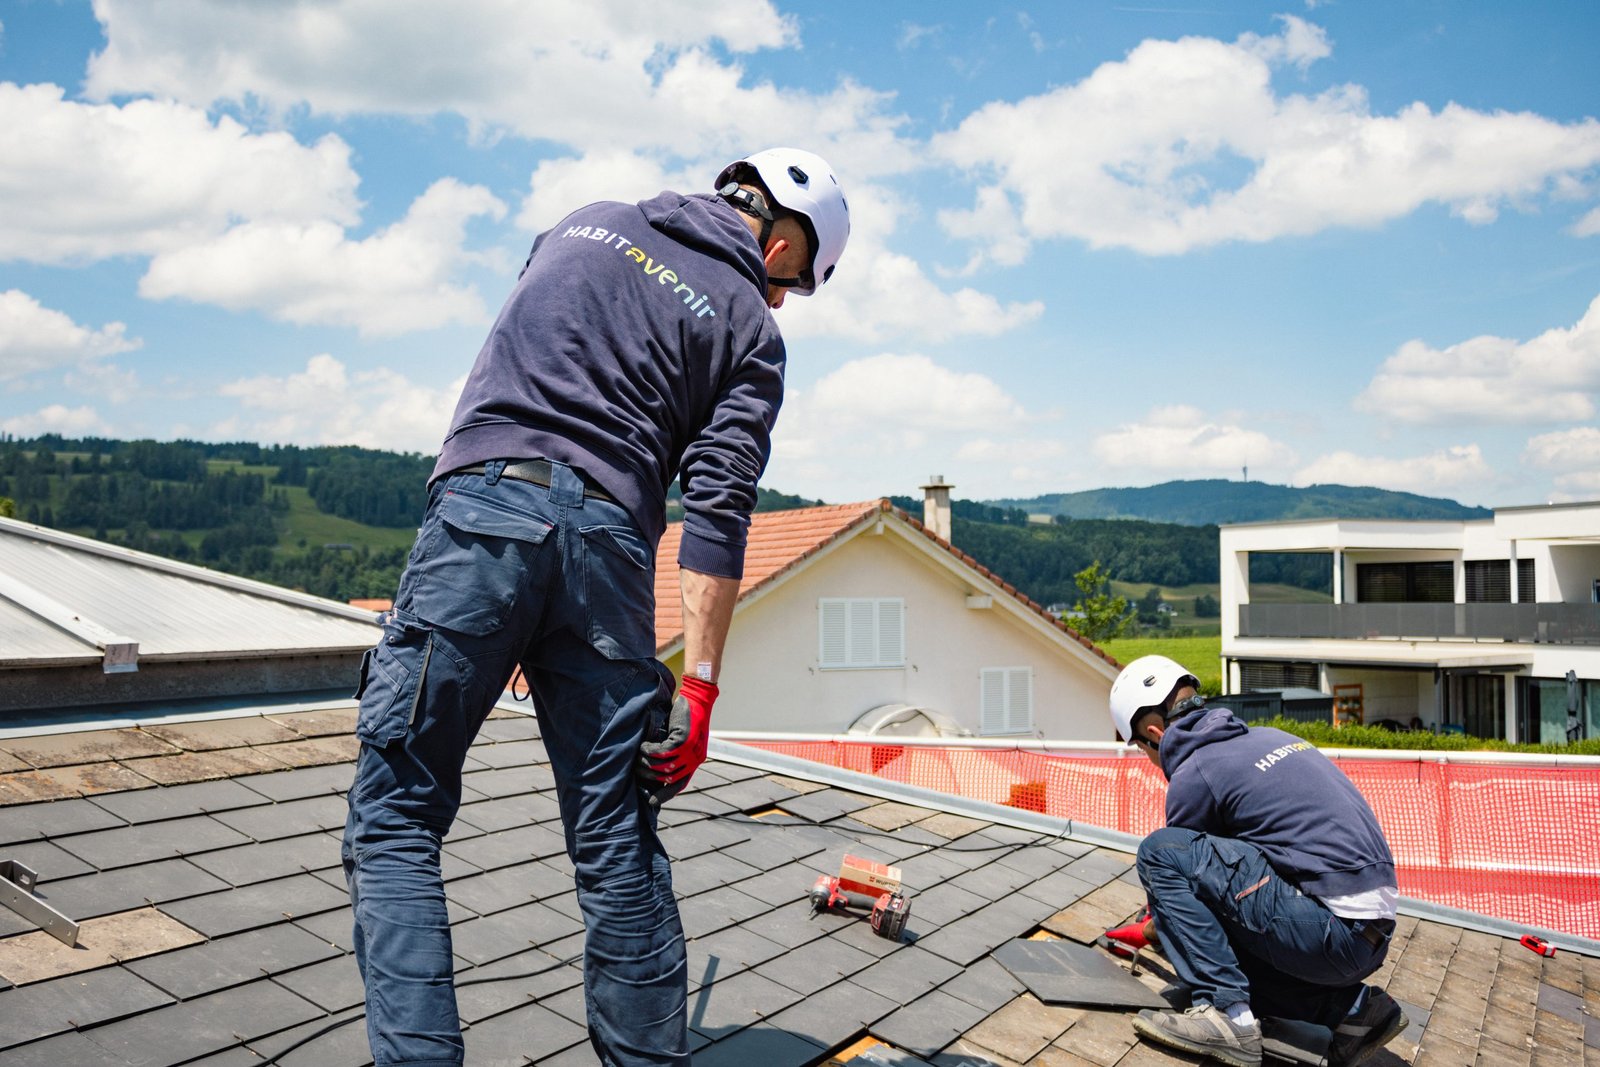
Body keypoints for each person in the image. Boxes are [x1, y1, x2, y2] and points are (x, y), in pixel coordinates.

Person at [341, 148, 850, 1067]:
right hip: (612, 551)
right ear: (778, 239)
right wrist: (697, 690)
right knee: (615, 837)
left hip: (482, 519)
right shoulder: (750, 329)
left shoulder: (583, 221)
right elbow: (717, 513)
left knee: (399, 814)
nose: (780, 305)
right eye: (793, 285)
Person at [1108, 656, 1407, 1067]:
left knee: (1158, 851)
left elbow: (1180, 873)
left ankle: (1228, 1019)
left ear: (1154, 733)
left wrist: (1153, 928)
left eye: (1141, 748)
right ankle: (1353, 1013)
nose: (1149, 758)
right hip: (1369, 936)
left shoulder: (1196, 771)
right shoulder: (1267, 737)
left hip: (1329, 931)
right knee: (1221, 950)